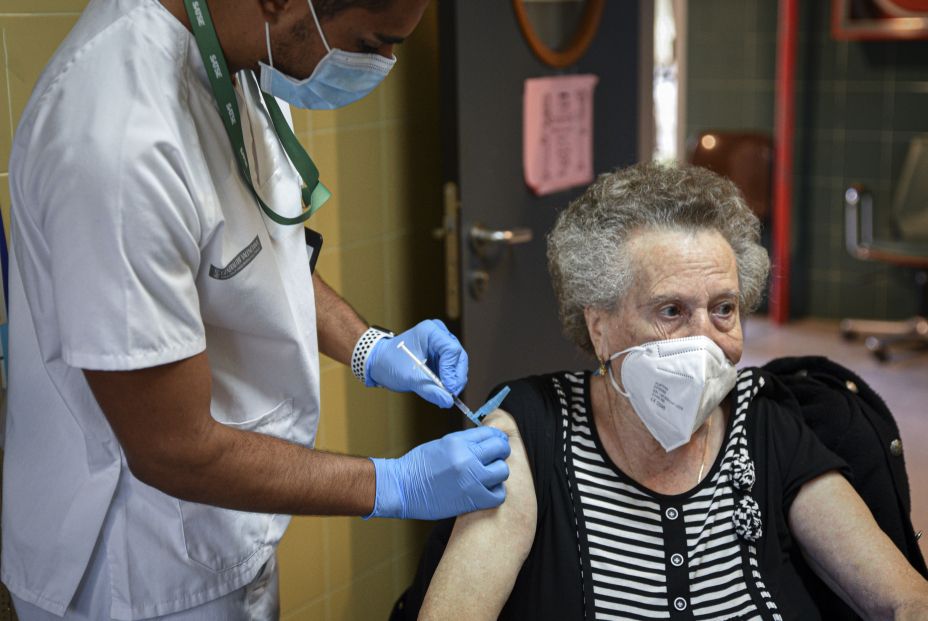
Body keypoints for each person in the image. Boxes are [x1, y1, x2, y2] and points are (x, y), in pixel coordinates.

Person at [1, 0, 511, 619]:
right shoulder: (118, 143)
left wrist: (368, 346)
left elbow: (254, 254)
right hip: (138, 569)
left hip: (227, 530)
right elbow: (173, 448)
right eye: (373, 42)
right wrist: (393, 483)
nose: (384, 64)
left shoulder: (247, 54)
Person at [401, 163, 928, 620]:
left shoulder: (764, 422)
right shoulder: (529, 433)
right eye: (671, 311)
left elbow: (905, 599)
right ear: (600, 327)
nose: (704, 339)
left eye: (724, 308)